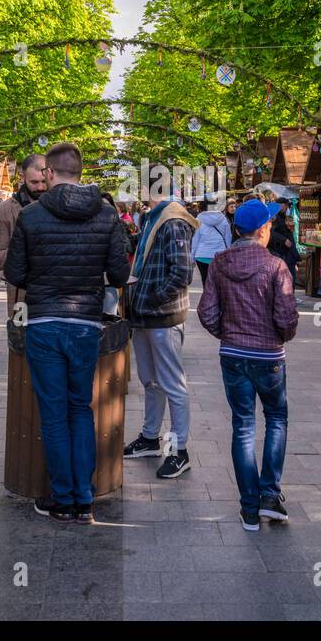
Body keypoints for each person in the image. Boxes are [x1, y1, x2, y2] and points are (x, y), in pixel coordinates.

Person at [3, 142, 129, 523]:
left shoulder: (31, 215)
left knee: (54, 415)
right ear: (80, 171)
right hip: (86, 324)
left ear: (51, 173)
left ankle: (63, 498)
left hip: (44, 322)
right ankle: (84, 497)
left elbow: (14, 273)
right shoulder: (107, 216)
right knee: (80, 409)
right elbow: (120, 275)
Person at [197, 197, 298, 531]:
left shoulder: (220, 263)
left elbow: (206, 312)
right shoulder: (276, 266)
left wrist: (227, 334)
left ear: (237, 230)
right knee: (276, 419)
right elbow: (285, 316)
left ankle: (249, 508)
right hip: (269, 356)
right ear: (264, 230)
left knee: (242, 426)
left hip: (233, 355)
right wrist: (282, 335)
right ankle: (270, 495)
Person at [122, 190, 198, 479]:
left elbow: (182, 272)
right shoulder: (154, 217)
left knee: (172, 383)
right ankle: (151, 438)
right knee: (151, 380)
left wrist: (154, 298)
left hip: (162, 315)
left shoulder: (172, 220)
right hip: (145, 314)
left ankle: (179, 450)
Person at [0, 153, 48, 320]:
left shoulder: (59, 206)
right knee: (21, 342)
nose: (41, 187)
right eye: (34, 182)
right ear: (23, 178)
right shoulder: (4, 211)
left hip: (55, 297)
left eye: (44, 181)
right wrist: (24, 248)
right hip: (21, 295)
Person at [191, 202, 232, 286]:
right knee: (219, 284)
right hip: (220, 255)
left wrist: (191, 257)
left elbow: (195, 240)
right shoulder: (223, 218)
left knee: (206, 283)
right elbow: (228, 238)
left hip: (202, 255)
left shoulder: (198, 219)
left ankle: (207, 298)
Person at [267, 198, 299, 281]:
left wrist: (289, 228)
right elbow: (271, 233)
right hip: (280, 252)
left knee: (290, 276)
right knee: (285, 278)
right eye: (285, 205)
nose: (287, 207)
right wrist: (284, 240)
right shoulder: (275, 217)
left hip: (287, 252)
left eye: (287, 205)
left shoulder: (284, 216)